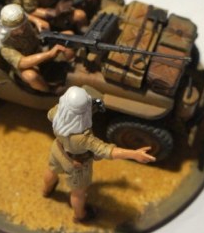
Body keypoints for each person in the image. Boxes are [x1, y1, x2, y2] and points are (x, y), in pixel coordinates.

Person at [43, 87, 156, 223]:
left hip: (57, 149)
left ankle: (46, 190)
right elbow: (106, 150)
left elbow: (57, 114)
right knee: (78, 193)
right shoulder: (83, 138)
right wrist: (133, 154)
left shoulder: (56, 113)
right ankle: (80, 215)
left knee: (52, 170)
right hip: (76, 164)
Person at [0, 4, 72, 93]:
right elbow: (22, 62)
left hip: (39, 49)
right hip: (29, 65)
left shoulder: (22, 21)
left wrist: (37, 21)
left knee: (68, 35)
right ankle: (49, 93)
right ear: (7, 29)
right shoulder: (4, 44)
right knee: (31, 76)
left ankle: (71, 65)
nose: (21, 30)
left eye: (23, 26)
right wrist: (49, 54)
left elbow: (26, 16)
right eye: (16, 29)